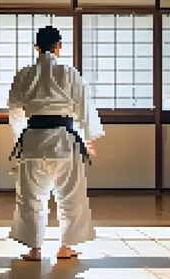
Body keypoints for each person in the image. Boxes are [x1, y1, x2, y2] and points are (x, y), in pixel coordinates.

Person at [7, 25, 104, 261]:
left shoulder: (24, 74)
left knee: (31, 197)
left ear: (36, 47)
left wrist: (20, 138)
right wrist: (88, 139)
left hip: (32, 143)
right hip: (64, 141)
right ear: (59, 46)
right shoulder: (70, 73)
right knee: (70, 195)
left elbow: (15, 112)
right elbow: (84, 107)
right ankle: (66, 247)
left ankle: (35, 249)